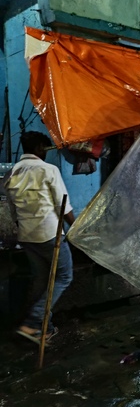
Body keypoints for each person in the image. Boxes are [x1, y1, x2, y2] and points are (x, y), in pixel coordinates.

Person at [3, 131, 75, 343]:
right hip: (49, 234)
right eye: (44, 149)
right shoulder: (48, 170)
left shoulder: (13, 172)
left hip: (26, 236)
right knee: (64, 277)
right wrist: (77, 227)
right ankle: (34, 321)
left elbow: (13, 211)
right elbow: (63, 205)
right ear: (38, 149)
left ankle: (44, 328)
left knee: (42, 281)